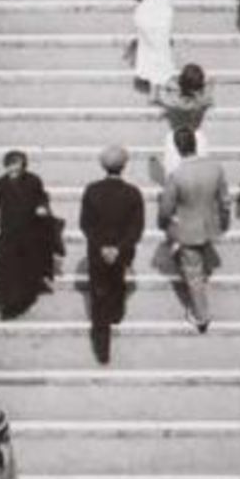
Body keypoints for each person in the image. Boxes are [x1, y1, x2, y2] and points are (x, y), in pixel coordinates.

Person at [158, 126, 231, 332]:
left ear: (177, 148)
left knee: (193, 275)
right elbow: (225, 200)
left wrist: (164, 224)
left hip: (189, 229)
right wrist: (224, 220)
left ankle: (201, 315)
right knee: (200, 255)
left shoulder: (176, 175)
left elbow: (166, 209)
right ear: (195, 143)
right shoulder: (215, 168)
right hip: (210, 223)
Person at [79, 144, 145, 364]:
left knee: (99, 296)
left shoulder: (92, 190)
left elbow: (85, 225)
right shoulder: (133, 193)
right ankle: (117, 312)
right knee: (117, 280)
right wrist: (119, 248)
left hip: (98, 253)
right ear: (124, 166)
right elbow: (136, 228)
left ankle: (102, 349)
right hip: (122, 252)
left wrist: (102, 247)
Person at [0, 150, 57, 319]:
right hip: (8, 232)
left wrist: (42, 208)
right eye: (9, 166)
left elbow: (42, 198)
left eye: (16, 165)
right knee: (7, 271)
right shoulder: (1, 183)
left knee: (24, 268)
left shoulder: (34, 180)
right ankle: (6, 307)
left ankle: (23, 300)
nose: (13, 169)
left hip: (29, 231)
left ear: (23, 165)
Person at [130, 0, 182, 96]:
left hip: (145, 14)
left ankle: (153, 86)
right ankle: (159, 86)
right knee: (161, 50)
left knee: (147, 49)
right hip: (164, 15)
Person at [155, 62, 213, 176]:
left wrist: (173, 84)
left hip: (175, 137)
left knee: (174, 176)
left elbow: (157, 96)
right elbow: (209, 87)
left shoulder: (172, 101)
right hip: (197, 135)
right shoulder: (203, 100)